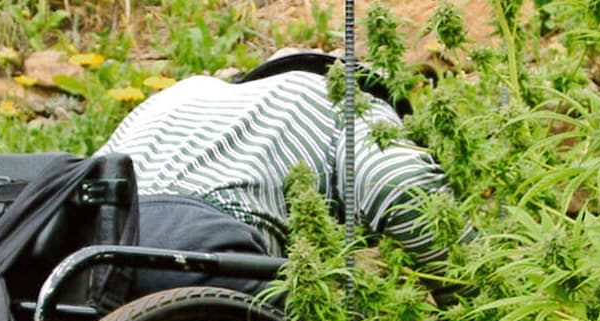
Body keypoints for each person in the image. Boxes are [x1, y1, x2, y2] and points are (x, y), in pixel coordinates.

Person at [93, 53, 475, 299]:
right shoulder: (347, 101)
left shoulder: (187, 92)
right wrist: (468, 293)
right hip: (201, 247)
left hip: (86, 250)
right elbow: (395, 181)